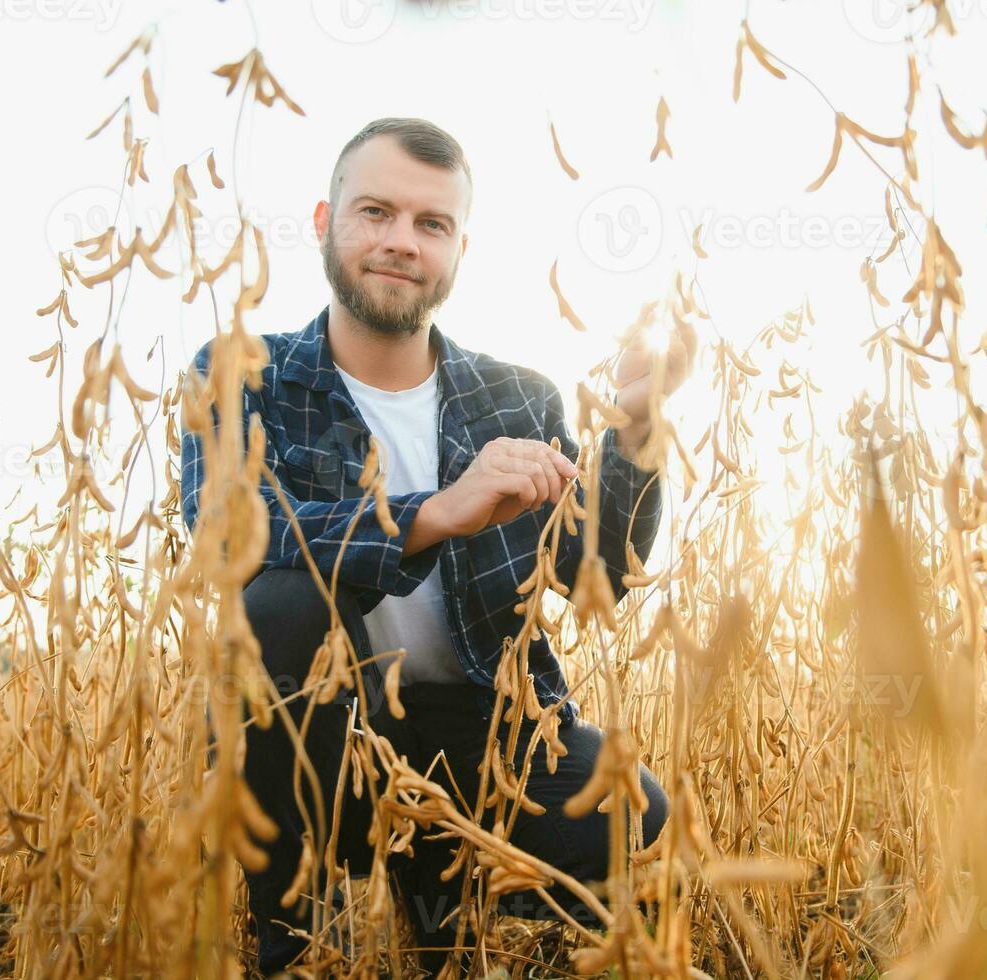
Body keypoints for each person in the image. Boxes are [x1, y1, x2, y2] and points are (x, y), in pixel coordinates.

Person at [179, 117, 695, 976]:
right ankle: (297, 940)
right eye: (374, 212)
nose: (399, 243)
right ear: (323, 220)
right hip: (321, 735)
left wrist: (637, 423)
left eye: (431, 225)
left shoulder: (516, 399)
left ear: (458, 248)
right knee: (274, 600)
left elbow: (598, 572)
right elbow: (228, 534)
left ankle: (443, 912)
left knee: (628, 802)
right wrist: (435, 513)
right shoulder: (243, 372)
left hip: (488, 731)